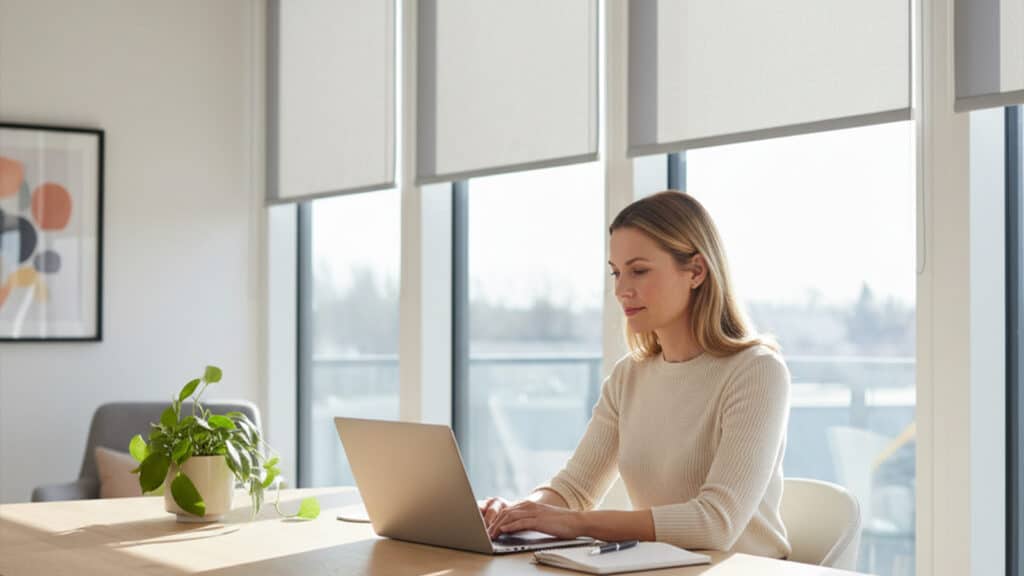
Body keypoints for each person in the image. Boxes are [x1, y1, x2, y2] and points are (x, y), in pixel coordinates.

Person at [480, 190, 791, 558]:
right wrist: (519, 514)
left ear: (696, 271)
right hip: (661, 568)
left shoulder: (756, 372)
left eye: (639, 271)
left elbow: (716, 523)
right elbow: (575, 488)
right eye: (616, 272)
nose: (621, 289)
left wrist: (576, 523)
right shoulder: (628, 376)